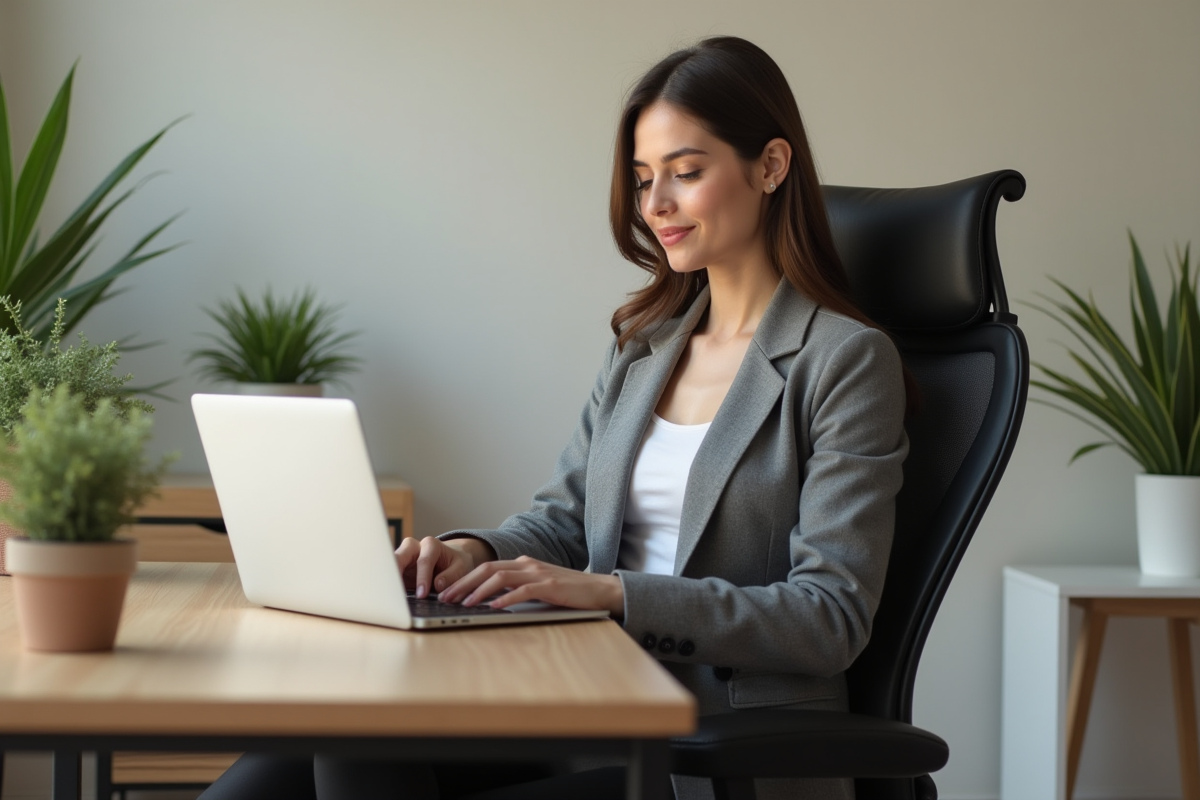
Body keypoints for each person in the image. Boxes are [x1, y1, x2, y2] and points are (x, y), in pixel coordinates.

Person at [200, 35, 910, 800]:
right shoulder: (644, 349)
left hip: (718, 751)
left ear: (770, 166)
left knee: (360, 758)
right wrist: (472, 552)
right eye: (644, 180)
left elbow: (829, 617)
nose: (657, 206)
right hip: (586, 699)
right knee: (309, 752)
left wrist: (613, 594)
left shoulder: (844, 360)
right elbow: (563, 521)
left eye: (686, 172)